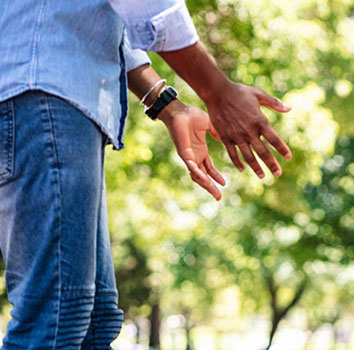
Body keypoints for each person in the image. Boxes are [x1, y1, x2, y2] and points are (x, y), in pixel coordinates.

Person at [0, 0, 291, 348]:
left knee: (95, 320)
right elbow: (148, 6)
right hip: (42, 95)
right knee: (58, 314)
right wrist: (218, 91)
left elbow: (103, 25)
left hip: (53, 99)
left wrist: (169, 106)